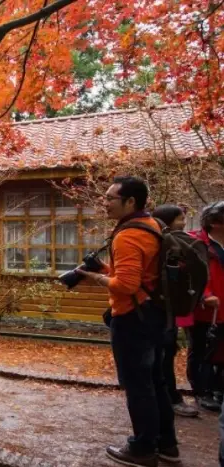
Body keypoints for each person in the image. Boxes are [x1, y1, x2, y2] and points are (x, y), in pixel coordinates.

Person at [78, 176, 178, 467]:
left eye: (110, 198)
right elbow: (141, 276)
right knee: (156, 382)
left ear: (130, 201)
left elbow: (126, 285)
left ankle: (143, 449)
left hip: (133, 320)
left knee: (138, 386)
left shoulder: (128, 235)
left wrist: (94, 277)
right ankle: (167, 445)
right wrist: (105, 269)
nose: (105, 203)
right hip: (155, 314)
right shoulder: (153, 225)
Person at [151, 205, 199, 418]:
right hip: (160, 310)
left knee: (166, 354)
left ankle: (164, 398)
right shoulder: (163, 243)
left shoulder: (174, 241)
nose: (184, 223)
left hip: (168, 310)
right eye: (180, 219)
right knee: (163, 356)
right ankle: (170, 399)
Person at [189, 202, 224, 412]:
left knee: (221, 352)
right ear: (215, 223)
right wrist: (205, 296)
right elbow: (190, 275)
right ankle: (202, 391)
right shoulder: (195, 243)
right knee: (203, 351)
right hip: (205, 311)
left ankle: (218, 389)